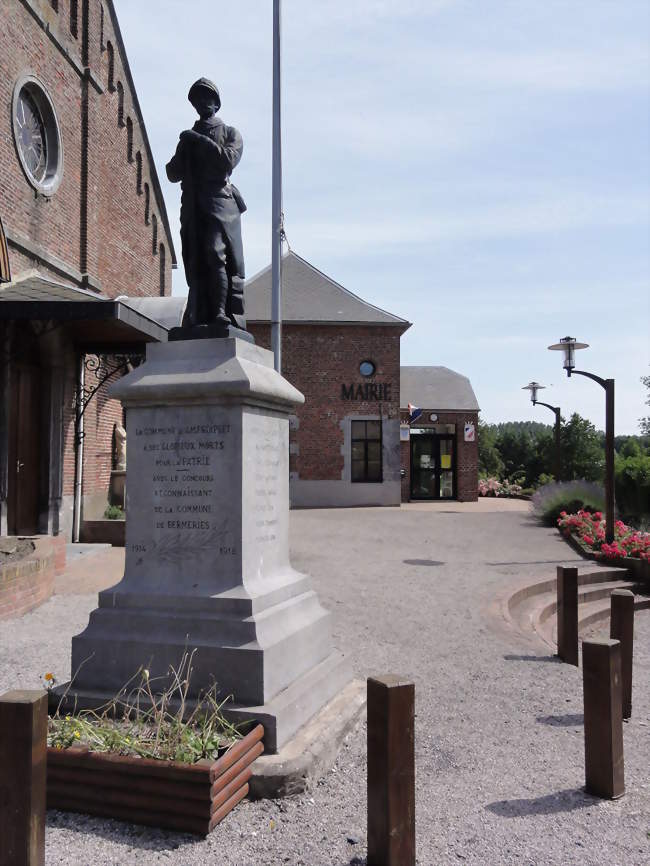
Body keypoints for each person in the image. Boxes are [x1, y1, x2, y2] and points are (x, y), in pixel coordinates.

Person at [166, 78, 247, 332]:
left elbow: (227, 161)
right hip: (192, 205)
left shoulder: (230, 133)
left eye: (207, 97)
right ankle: (197, 315)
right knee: (195, 260)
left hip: (219, 205)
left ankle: (221, 313)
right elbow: (172, 173)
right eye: (198, 99)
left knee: (215, 253)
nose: (203, 103)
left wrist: (198, 141)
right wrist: (183, 150)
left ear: (216, 102)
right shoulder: (188, 138)